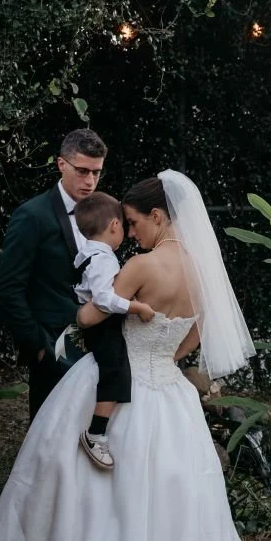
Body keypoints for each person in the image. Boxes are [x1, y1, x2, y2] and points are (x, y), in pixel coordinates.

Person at [0, 171, 271, 541]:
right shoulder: (201, 269)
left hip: (116, 386)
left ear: (158, 216)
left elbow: (91, 317)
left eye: (134, 221)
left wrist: (86, 314)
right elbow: (198, 335)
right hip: (168, 390)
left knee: (87, 482)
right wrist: (165, 354)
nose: (130, 231)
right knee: (170, 493)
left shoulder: (143, 266)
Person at [0, 128, 107, 420]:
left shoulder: (106, 213)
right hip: (52, 349)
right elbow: (8, 289)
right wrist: (39, 348)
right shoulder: (32, 216)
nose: (90, 181)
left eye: (96, 173)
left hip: (101, 343)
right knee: (48, 437)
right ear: (61, 164)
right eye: (82, 171)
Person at [70, 192, 155, 471]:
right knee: (116, 371)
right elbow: (104, 300)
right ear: (114, 226)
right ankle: (96, 433)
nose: (128, 233)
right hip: (103, 327)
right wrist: (137, 307)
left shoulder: (87, 253)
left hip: (99, 327)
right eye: (125, 225)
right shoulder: (103, 259)